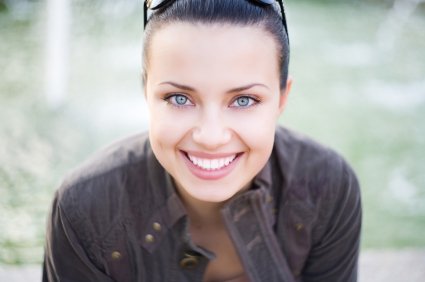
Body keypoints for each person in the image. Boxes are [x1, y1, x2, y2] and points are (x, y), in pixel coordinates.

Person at [42, 0, 362, 281]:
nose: (210, 137)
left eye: (244, 100)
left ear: (281, 98)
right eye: (179, 98)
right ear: (146, 93)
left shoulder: (328, 186)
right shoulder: (85, 209)